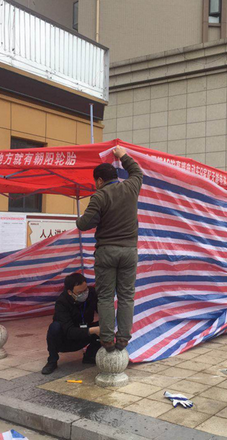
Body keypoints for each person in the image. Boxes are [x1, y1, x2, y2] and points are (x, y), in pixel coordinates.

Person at [76, 145, 143, 353]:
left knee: (105, 297)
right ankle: (123, 339)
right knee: (126, 296)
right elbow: (137, 171)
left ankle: (106, 339)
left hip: (106, 252)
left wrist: (81, 218)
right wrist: (122, 155)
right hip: (129, 251)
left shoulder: (99, 196)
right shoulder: (131, 187)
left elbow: (84, 224)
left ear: (99, 181)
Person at [42, 273, 100, 375]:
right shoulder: (62, 303)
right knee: (54, 327)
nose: (84, 294)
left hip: (84, 332)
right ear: (70, 292)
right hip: (66, 339)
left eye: (85, 290)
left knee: (105, 325)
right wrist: (93, 330)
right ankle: (52, 360)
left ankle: (90, 356)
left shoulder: (91, 294)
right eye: (80, 292)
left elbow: (102, 310)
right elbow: (69, 331)